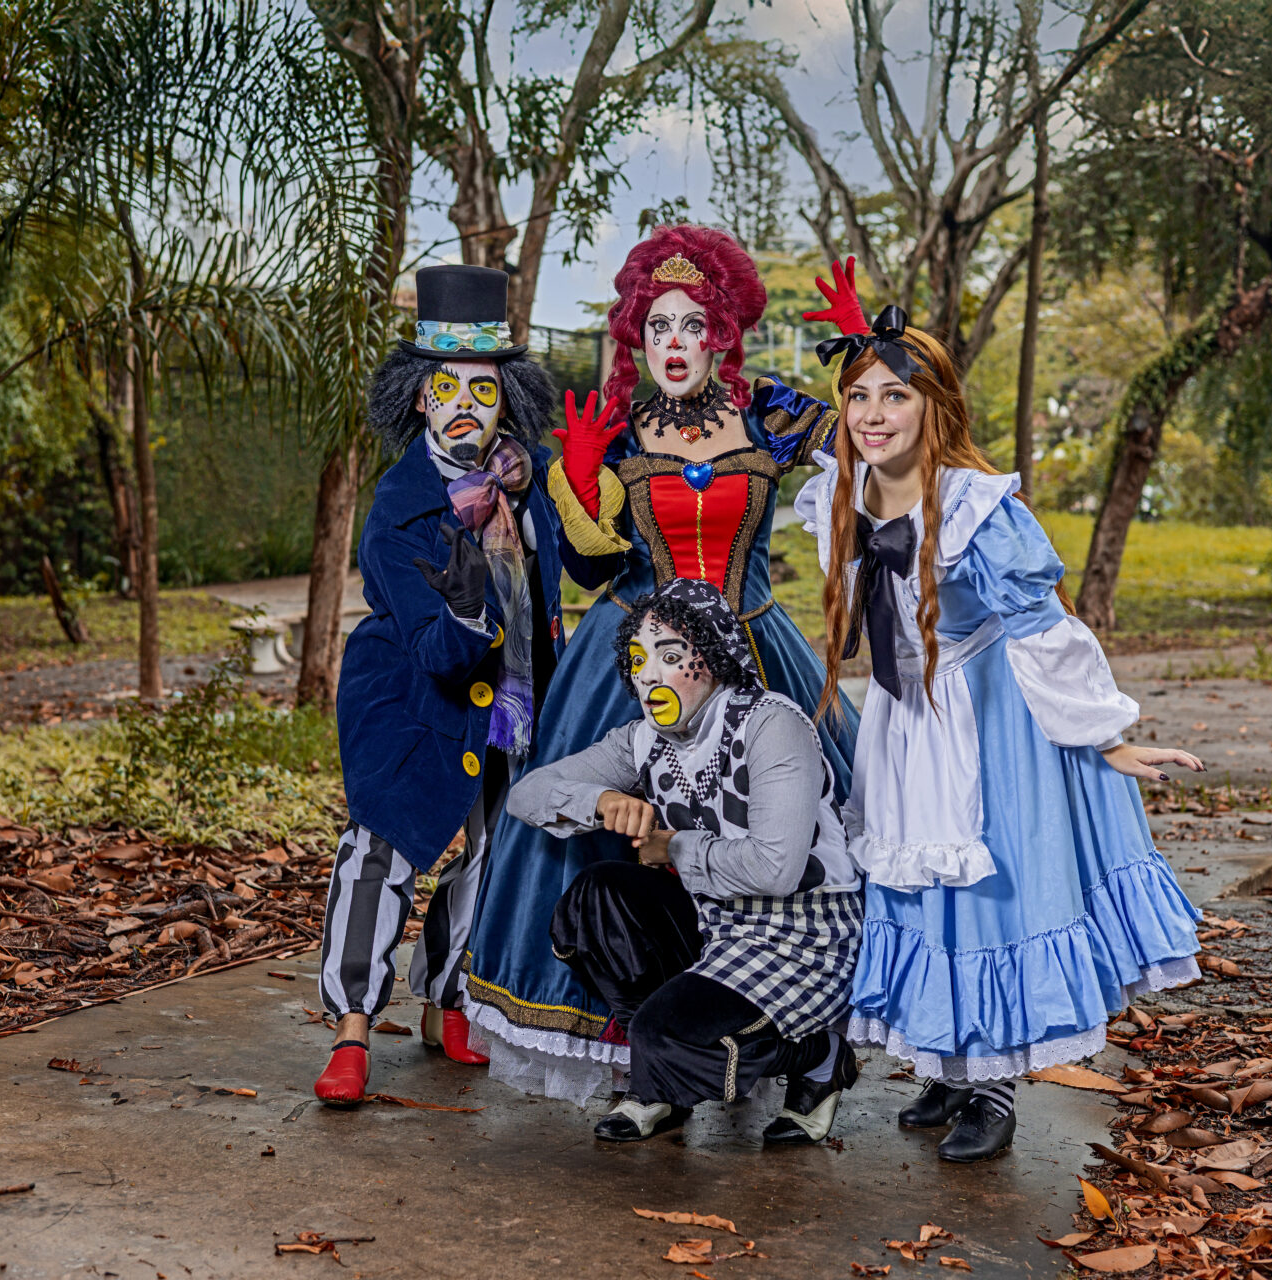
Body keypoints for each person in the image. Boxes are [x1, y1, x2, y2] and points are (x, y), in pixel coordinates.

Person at [794, 270, 1206, 1162]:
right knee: (918, 889)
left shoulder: (979, 508)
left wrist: (1106, 738)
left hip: (988, 722)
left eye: (895, 395)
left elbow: (1043, 627)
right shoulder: (843, 495)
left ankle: (992, 1086)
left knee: (988, 896)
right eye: (859, 396)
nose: (873, 414)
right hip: (906, 718)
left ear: (933, 406)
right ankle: (947, 1064)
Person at [459, 226, 859, 1105]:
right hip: (633, 660)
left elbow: (877, 443)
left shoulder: (770, 415)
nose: (674, 344)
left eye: (692, 325)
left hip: (754, 650)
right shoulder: (617, 431)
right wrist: (582, 474)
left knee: (802, 841)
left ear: (721, 335)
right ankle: (640, 1050)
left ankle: (785, 1032)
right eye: (657, 327)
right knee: (615, 842)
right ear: (636, 339)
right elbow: (591, 569)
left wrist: (865, 352)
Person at [314, 265, 622, 1105]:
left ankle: (448, 999)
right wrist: (465, 608)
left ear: (505, 400)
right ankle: (352, 1027)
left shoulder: (534, 476)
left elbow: (593, 569)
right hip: (412, 701)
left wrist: (585, 483)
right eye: (445, 389)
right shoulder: (399, 507)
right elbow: (433, 649)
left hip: (519, 695)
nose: (463, 406)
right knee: (380, 853)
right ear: (419, 398)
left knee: (490, 850)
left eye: (481, 391)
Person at [504, 578, 863, 1144]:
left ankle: (819, 1056)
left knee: (664, 1034)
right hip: (714, 922)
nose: (648, 676)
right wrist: (601, 800)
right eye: (638, 660)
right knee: (597, 897)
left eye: (671, 657)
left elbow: (776, 869)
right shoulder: (644, 738)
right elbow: (526, 795)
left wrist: (671, 847)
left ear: (714, 657)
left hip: (800, 936)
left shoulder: (772, 724)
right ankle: (660, 1082)